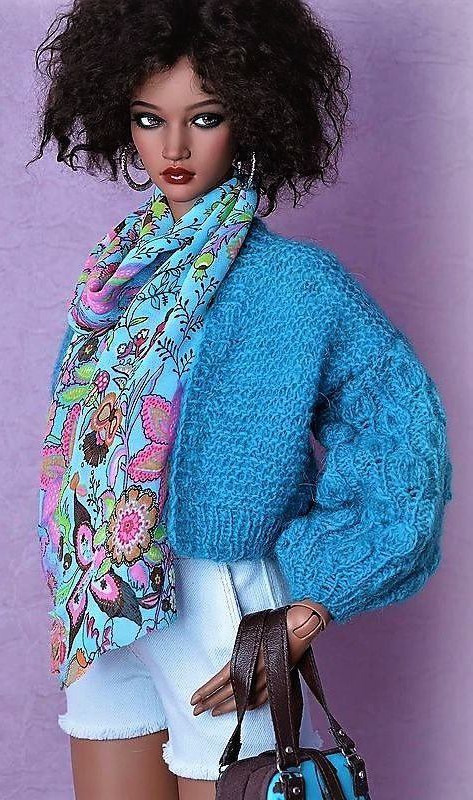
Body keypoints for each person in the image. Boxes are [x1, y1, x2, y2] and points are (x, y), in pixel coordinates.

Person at [29, 2, 453, 799]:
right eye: (149, 119)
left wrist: (310, 608)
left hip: (217, 600)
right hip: (103, 597)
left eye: (205, 117)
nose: (174, 148)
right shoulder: (118, 274)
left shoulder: (297, 285)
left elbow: (402, 442)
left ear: (252, 118)